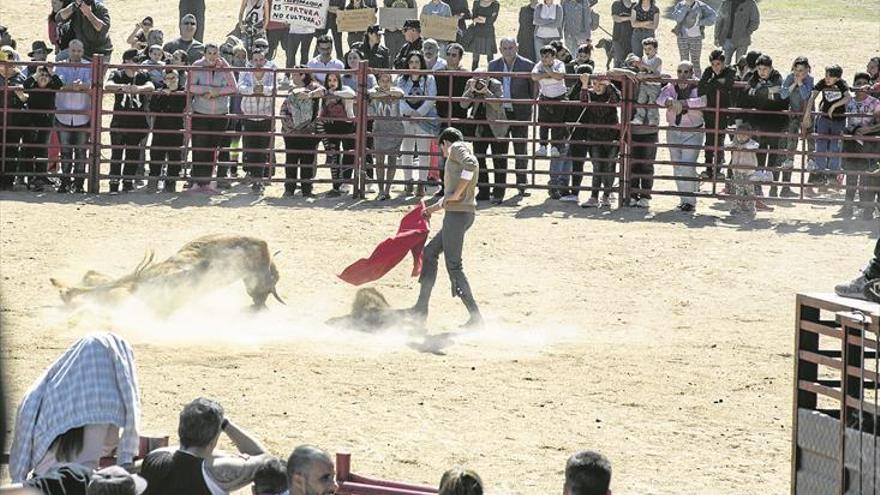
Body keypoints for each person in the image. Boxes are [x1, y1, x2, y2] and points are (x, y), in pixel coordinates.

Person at [9, 333, 140, 483]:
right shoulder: (108, 403)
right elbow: (108, 446)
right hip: (79, 485)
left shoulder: (51, 393)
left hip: (41, 484)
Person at [408, 127, 482, 328]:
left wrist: (457, 193)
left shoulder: (457, 146)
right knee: (430, 252)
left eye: (441, 148)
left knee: (454, 266)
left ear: (445, 143)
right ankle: (421, 307)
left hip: (458, 215)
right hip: (460, 213)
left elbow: (471, 164)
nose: (442, 153)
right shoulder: (460, 154)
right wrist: (431, 209)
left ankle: (476, 317)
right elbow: (449, 196)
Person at [140, 398, 270, 495]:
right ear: (214, 439)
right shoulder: (216, 472)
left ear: (180, 429)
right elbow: (268, 461)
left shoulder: (154, 457)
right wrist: (225, 424)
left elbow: (180, 453)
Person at [656, 60, 706, 212]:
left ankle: (690, 201)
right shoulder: (671, 86)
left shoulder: (699, 85)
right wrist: (670, 101)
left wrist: (684, 103)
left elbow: (703, 100)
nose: (682, 75)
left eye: (686, 72)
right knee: (678, 166)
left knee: (686, 165)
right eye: (679, 72)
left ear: (692, 72)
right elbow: (660, 99)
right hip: (674, 130)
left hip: (693, 131)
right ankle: (684, 198)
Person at [488, 37, 533, 197]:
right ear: (500, 50)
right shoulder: (493, 66)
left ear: (517, 47)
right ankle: (500, 188)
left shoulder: (527, 65)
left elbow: (533, 91)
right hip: (500, 113)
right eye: (505, 48)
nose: (508, 51)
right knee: (500, 151)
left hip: (520, 112)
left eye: (511, 47)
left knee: (521, 149)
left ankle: (522, 184)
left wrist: (528, 109)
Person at [104, 48, 154, 193]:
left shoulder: (143, 75)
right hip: (120, 121)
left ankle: (127, 183)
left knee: (132, 153)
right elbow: (108, 85)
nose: (138, 63)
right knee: (117, 154)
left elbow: (151, 86)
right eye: (136, 60)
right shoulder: (118, 74)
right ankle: (113, 184)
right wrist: (122, 87)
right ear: (126, 61)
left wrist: (138, 89)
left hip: (137, 122)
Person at [189, 43, 238, 193]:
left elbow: (234, 87)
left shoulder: (225, 67)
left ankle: (208, 182)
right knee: (199, 147)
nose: (212, 56)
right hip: (200, 112)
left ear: (218, 54)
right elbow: (190, 86)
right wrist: (207, 89)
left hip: (220, 113)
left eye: (214, 53)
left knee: (212, 148)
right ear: (204, 54)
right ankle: (197, 181)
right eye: (209, 53)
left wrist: (217, 92)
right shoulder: (197, 66)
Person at [741, 54, 787, 204]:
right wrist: (766, 92)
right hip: (759, 119)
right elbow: (748, 91)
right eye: (760, 69)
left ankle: (773, 187)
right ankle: (758, 187)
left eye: (765, 69)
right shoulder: (753, 75)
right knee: (759, 152)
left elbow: (778, 91)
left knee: (774, 152)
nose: (762, 72)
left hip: (775, 120)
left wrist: (761, 90)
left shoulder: (777, 75)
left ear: (771, 68)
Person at [836, 72, 880, 220]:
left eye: (864, 83)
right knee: (851, 177)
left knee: (866, 178)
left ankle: (865, 209)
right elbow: (840, 119)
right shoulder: (848, 101)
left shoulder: (875, 103)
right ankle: (848, 208)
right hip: (851, 142)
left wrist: (867, 130)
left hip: (867, 143)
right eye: (858, 83)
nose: (861, 86)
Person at [573, 72, 620, 208]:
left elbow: (616, 99)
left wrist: (609, 85)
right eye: (594, 84)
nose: (597, 87)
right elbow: (582, 102)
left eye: (600, 84)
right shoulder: (591, 95)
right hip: (594, 136)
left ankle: (606, 195)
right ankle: (594, 196)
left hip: (611, 136)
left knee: (610, 166)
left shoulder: (610, 93)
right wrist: (584, 85)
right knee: (597, 167)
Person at [803, 64, 852, 196]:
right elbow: (812, 96)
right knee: (821, 145)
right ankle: (820, 173)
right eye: (826, 75)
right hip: (824, 118)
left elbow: (848, 97)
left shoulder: (842, 84)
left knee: (835, 147)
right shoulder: (822, 83)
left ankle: (832, 175)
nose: (827, 78)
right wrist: (807, 115)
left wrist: (834, 106)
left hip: (838, 120)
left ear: (837, 78)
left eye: (830, 76)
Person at [53, 39, 92, 194]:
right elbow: (57, 83)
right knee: (66, 151)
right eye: (74, 50)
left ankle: (79, 183)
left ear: (82, 51)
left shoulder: (89, 65)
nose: (76, 53)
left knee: (81, 152)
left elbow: (91, 84)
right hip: (64, 113)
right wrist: (76, 87)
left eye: (79, 51)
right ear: (69, 51)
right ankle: (65, 181)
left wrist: (79, 86)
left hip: (82, 114)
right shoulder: (60, 65)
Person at [397, 51, 438, 197]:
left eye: (417, 62)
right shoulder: (401, 80)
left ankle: (421, 183)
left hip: (424, 119)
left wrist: (419, 113)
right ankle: (408, 181)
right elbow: (399, 98)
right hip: (406, 119)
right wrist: (409, 113)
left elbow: (431, 98)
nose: (414, 65)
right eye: (411, 62)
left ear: (421, 64)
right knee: (406, 150)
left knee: (423, 152)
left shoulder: (429, 79)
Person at [279, 66, 324, 197]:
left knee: (307, 161)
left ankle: (306, 189)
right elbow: (284, 109)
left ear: (303, 75)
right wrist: (288, 125)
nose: (293, 77)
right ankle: (290, 188)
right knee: (292, 160)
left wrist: (309, 95)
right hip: (294, 130)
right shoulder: (291, 90)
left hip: (308, 130)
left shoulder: (313, 87)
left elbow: (323, 91)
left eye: (295, 74)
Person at [461, 72, 505, 203]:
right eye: (477, 76)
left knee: (499, 159)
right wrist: (471, 90)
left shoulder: (496, 84)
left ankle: (499, 193)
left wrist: (486, 92)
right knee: (479, 158)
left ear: (489, 77)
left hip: (496, 126)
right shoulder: (470, 84)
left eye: (483, 77)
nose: (480, 80)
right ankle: (484, 190)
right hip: (479, 126)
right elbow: (463, 105)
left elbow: (498, 105)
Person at [238, 48, 276, 194]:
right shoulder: (245, 72)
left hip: (265, 115)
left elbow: (273, 88)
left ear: (264, 60)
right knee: (250, 147)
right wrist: (257, 89)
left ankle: (258, 178)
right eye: (256, 60)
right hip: (249, 114)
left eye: (261, 60)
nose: (258, 63)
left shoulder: (270, 72)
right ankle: (255, 176)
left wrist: (258, 90)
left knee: (262, 148)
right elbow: (240, 88)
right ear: (251, 61)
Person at [22, 66, 63, 192]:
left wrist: (51, 73)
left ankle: (40, 177)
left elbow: (59, 84)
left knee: (42, 149)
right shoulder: (32, 85)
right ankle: (29, 177)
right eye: (41, 75)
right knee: (29, 148)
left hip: (46, 121)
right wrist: (36, 74)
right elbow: (25, 84)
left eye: (46, 76)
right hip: (31, 121)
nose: (43, 78)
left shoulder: (52, 87)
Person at [777, 56, 813, 197]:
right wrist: (794, 83)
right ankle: (785, 187)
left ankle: (812, 175)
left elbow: (806, 95)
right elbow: (783, 94)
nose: (799, 73)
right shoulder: (789, 78)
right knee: (790, 147)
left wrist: (801, 83)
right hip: (793, 115)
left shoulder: (810, 80)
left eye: (802, 71)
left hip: (807, 114)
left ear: (807, 70)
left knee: (811, 142)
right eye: (797, 70)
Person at [698, 48, 736, 180]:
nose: (715, 67)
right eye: (713, 64)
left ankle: (718, 170)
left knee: (720, 140)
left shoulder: (730, 71)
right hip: (710, 110)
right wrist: (717, 84)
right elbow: (701, 87)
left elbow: (728, 83)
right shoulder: (709, 71)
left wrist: (712, 83)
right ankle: (708, 169)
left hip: (724, 111)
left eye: (718, 64)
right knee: (709, 140)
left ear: (723, 63)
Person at [318, 72, 356, 197]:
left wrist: (335, 93)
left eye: (335, 80)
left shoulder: (345, 89)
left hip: (347, 124)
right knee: (334, 154)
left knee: (348, 153)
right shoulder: (324, 93)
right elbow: (320, 110)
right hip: (331, 125)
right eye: (329, 80)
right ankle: (336, 184)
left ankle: (346, 182)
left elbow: (351, 94)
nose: (332, 83)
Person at [368, 72, 405, 200]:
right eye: (382, 80)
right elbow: (371, 94)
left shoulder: (396, 90)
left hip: (395, 129)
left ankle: (387, 190)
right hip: (380, 129)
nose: (385, 83)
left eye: (387, 80)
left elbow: (400, 93)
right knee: (379, 160)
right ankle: (381, 190)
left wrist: (385, 94)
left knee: (392, 160)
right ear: (378, 82)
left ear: (391, 81)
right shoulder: (374, 90)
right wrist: (386, 94)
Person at [150, 70, 187, 193]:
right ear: (164, 80)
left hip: (176, 128)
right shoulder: (159, 91)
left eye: (173, 78)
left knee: (174, 157)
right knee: (156, 155)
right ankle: (153, 180)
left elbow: (180, 107)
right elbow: (153, 107)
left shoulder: (183, 92)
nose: (171, 81)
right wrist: (162, 94)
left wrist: (171, 94)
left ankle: (171, 182)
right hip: (160, 127)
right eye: (168, 78)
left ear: (178, 78)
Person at [612, 37, 661, 127]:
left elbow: (655, 71)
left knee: (652, 103)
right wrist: (639, 67)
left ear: (656, 49)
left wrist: (643, 66)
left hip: (654, 85)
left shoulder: (657, 59)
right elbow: (643, 70)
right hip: (645, 84)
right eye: (645, 49)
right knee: (640, 101)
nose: (647, 51)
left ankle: (653, 120)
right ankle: (639, 118)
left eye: (649, 49)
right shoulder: (644, 58)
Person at [532, 45, 568, 158]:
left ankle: (555, 147)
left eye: (547, 56)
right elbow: (534, 76)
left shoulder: (559, 64)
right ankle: (542, 146)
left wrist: (546, 73)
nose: (544, 59)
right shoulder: (539, 64)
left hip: (559, 97)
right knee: (543, 123)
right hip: (545, 97)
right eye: (542, 56)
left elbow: (560, 75)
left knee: (557, 124)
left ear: (553, 56)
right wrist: (550, 73)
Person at [0, 47, 27, 191]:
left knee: (12, 150)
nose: (6, 65)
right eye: (3, 61)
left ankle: (8, 181)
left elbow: (27, 100)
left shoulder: (20, 77)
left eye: (10, 61)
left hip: (14, 121)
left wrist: (22, 95)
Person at [670, 0, 716, 73]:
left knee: (695, 62)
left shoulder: (701, 6)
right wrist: (686, 7)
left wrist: (701, 22)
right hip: (682, 37)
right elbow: (677, 18)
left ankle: (696, 82)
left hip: (696, 37)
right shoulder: (680, 5)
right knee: (684, 61)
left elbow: (713, 17)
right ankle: (684, 82)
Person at [726, 120, 760, 216]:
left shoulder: (752, 143)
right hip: (737, 170)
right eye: (739, 135)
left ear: (749, 136)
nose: (741, 137)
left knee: (750, 190)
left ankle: (751, 208)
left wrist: (744, 146)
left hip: (749, 171)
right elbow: (727, 145)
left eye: (744, 135)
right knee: (738, 189)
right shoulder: (735, 143)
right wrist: (730, 146)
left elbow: (755, 145)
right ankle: (736, 207)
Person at [714, 0, 759, 67]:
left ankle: (739, 77)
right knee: (724, 65)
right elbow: (719, 21)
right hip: (726, 39)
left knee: (740, 65)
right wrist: (716, 36)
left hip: (742, 41)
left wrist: (746, 32)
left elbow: (755, 22)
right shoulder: (726, 3)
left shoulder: (750, 3)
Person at [467, 0, 499, 70]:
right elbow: (474, 17)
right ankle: (473, 76)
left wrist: (482, 19)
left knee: (490, 58)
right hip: (477, 32)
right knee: (475, 58)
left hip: (488, 33)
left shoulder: (495, 4)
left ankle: (492, 76)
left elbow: (492, 20)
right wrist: (484, 19)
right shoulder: (477, 2)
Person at [610, 0, 633, 68]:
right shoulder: (616, 4)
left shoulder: (635, 6)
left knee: (630, 63)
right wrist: (631, 18)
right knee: (618, 62)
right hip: (618, 38)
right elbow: (616, 18)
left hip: (631, 39)